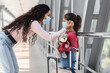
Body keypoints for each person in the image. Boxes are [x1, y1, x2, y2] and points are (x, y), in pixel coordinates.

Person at [0, 4, 73, 73]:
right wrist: (65, 28)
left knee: (15, 69)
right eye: (48, 15)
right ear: (42, 14)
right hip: (3, 41)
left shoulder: (31, 21)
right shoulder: (33, 23)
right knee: (9, 70)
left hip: (7, 42)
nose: (49, 18)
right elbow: (49, 38)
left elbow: (47, 35)